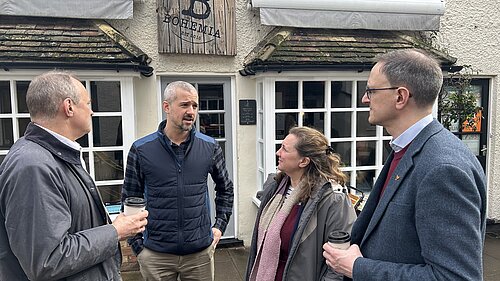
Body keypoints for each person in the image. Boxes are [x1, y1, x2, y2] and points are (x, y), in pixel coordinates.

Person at [323, 49, 487, 280]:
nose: (364, 98)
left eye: (371, 90)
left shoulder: (443, 169)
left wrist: (357, 267)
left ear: (400, 97)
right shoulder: (409, 148)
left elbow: (455, 277)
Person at [0, 71, 148, 281]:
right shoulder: (33, 166)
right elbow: (48, 260)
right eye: (88, 103)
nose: (92, 112)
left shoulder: (54, 155)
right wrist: (115, 231)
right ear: (69, 107)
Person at [122, 81, 234, 281]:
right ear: (167, 107)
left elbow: (225, 189)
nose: (191, 111)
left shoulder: (209, 147)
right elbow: (131, 199)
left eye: (195, 106)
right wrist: (138, 246)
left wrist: (219, 227)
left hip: (199, 255)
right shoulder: (142, 149)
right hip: (156, 255)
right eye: (184, 105)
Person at [246, 126, 357, 281]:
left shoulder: (332, 199)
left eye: (284, 149)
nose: (278, 153)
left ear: (304, 161)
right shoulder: (275, 187)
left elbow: (339, 264)